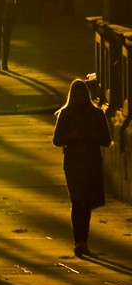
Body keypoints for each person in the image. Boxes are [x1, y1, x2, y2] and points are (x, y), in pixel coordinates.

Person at [52, 78, 112, 256]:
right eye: (76, 95)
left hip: (91, 163)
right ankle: (78, 240)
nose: (80, 98)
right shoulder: (65, 114)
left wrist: (90, 135)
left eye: (82, 95)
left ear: (87, 96)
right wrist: (72, 137)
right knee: (77, 201)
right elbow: (57, 140)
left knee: (86, 202)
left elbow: (106, 140)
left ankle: (83, 239)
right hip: (73, 164)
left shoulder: (96, 114)